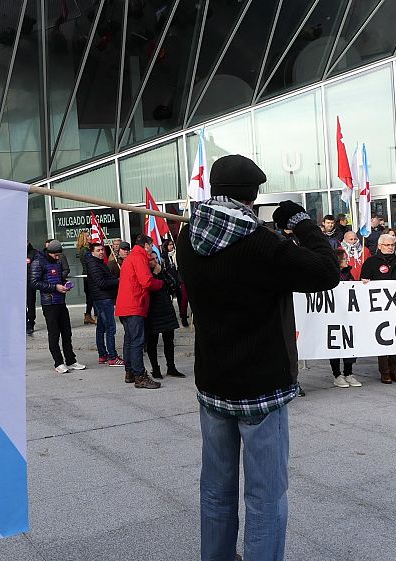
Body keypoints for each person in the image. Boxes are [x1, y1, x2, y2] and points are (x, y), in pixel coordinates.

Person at [176, 154, 339, 561]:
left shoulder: (188, 237)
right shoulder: (260, 244)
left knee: (215, 490)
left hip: (213, 381)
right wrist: (302, 224)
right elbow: (326, 271)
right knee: (265, 497)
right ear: (253, 197)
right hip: (261, 387)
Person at [116, 234, 166, 389]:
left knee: (130, 340)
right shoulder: (139, 257)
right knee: (137, 341)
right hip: (135, 304)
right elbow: (146, 281)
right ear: (146, 245)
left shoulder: (131, 257)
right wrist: (161, 283)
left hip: (126, 305)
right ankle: (140, 376)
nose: (152, 248)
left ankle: (130, 372)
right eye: (151, 245)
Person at [30, 240, 87, 374]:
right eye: (55, 255)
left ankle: (71, 360)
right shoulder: (38, 261)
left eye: (59, 255)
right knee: (54, 334)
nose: (58, 258)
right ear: (49, 252)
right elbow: (34, 282)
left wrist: (64, 283)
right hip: (49, 304)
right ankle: (58, 362)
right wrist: (55, 287)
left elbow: (57, 277)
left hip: (61, 301)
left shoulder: (57, 261)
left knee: (67, 332)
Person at [361, 233, 396, 384]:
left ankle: (395, 370)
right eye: (387, 245)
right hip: (379, 307)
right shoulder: (371, 262)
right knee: (383, 338)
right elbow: (363, 282)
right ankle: (384, 371)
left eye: (392, 245)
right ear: (380, 246)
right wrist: (365, 283)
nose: (389, 248)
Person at [82, 242, 124, 367]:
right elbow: (101, 282)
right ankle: (112, 356)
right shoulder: (94, 264)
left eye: (102, 250)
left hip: (101, 298)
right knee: (110, 328)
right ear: (92, 252)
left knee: (101, 327)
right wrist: (117, 281)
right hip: (103, 299)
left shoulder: (97, 263)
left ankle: (103, 355)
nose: (101, 252)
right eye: (98, 250)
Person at [145, 253, 185, 379]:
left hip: (166, 308)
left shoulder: (163, 271)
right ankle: (155, 369)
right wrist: (155, 274)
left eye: (156, 258)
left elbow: (174, 286)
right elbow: (149, 287)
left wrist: (161, 273)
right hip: (153, 311)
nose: (154, 261)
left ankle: (171, 367)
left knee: (169, 340)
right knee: (152, 342)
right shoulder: (146, 273)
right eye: (151, 259)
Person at [330, 248, 360, 388]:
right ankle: (337, 374)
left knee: (350, 344)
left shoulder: (348, 273)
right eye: (344, 258)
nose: (347, 260)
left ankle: (349, 372)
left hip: (348, 314)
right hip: (334, 315)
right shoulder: (330, 274)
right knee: (335, 344)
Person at [162, 238, 189, 327]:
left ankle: (183, 315)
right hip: (169, 279)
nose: (171, 246)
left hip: (178, 278)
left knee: (182, 297)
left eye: (172, 244)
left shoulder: (177, 254)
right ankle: (169, 315)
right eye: (169, 245)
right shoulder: (164, 256)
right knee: (169, 298)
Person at [76, 230, 97, 325]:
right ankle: (94, 316)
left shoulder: (84, 250)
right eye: (88, 236)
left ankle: (88, 315)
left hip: (88, 275)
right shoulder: (85, 251)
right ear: (84, 238)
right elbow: (90, 263)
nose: (90, 237)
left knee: (90, 297)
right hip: (89, 276)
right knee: (93, 296)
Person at [26, 241, 37, 335]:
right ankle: (24, 323)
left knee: (30, 304)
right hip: (19, 283)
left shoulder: (34, 253)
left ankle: (31, 323)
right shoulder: (15, 252)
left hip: (30, 283)